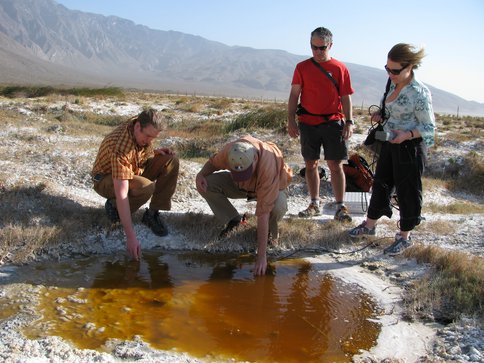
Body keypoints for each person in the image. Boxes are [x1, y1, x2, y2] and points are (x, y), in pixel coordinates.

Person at [349, 43, 436, 255]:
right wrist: (381, 115)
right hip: (390, 144)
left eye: (395, 70)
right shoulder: (391, 82)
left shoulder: (419, 93)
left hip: (410, 149)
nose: (390, 73)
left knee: (408, 191)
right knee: (381, 183)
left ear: (410, 67)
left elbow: (429, 128)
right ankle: (369, 226)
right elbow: (389, 108)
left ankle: (405, 237)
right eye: (387, 69)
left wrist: (406, 135)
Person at [195, 135, 292, 276]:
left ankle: (271, 233)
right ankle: (233, 220)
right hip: (242, 187)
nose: (243, 175)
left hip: (274, 187)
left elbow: (263, 213)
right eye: (238, 173)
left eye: (245, 172)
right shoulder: (230, 150)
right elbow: (213, 163)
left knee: (276, 206)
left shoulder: (268, 165)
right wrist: (200, 174)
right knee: (206, 184)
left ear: (254, 159)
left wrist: (261, 257)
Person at [91, 108, 179, 260]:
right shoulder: (120, 146)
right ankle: (114, 209)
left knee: (171, 160)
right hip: (106, 179)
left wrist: (155, 153)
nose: (149, 141)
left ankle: (151, 215)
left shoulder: (140, 125)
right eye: (148, 136)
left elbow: (139, 152)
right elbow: (122, 192)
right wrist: (131, 237)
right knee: (146, 187)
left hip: (134, 169)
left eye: (153, 138)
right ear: (138, 127)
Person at [287, 26, 355, 222]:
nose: (317, 52)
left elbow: (346, 97)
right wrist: (291, 120)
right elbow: (294, 95)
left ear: (330, 46)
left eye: (321, 48)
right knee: (310, 164)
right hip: (308, 123)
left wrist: (349, 122)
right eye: (313, 47)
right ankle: (314, 204)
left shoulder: (340, 68)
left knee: (335, 164)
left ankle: (341, 206)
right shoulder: (302, 67)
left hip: (333, 122)